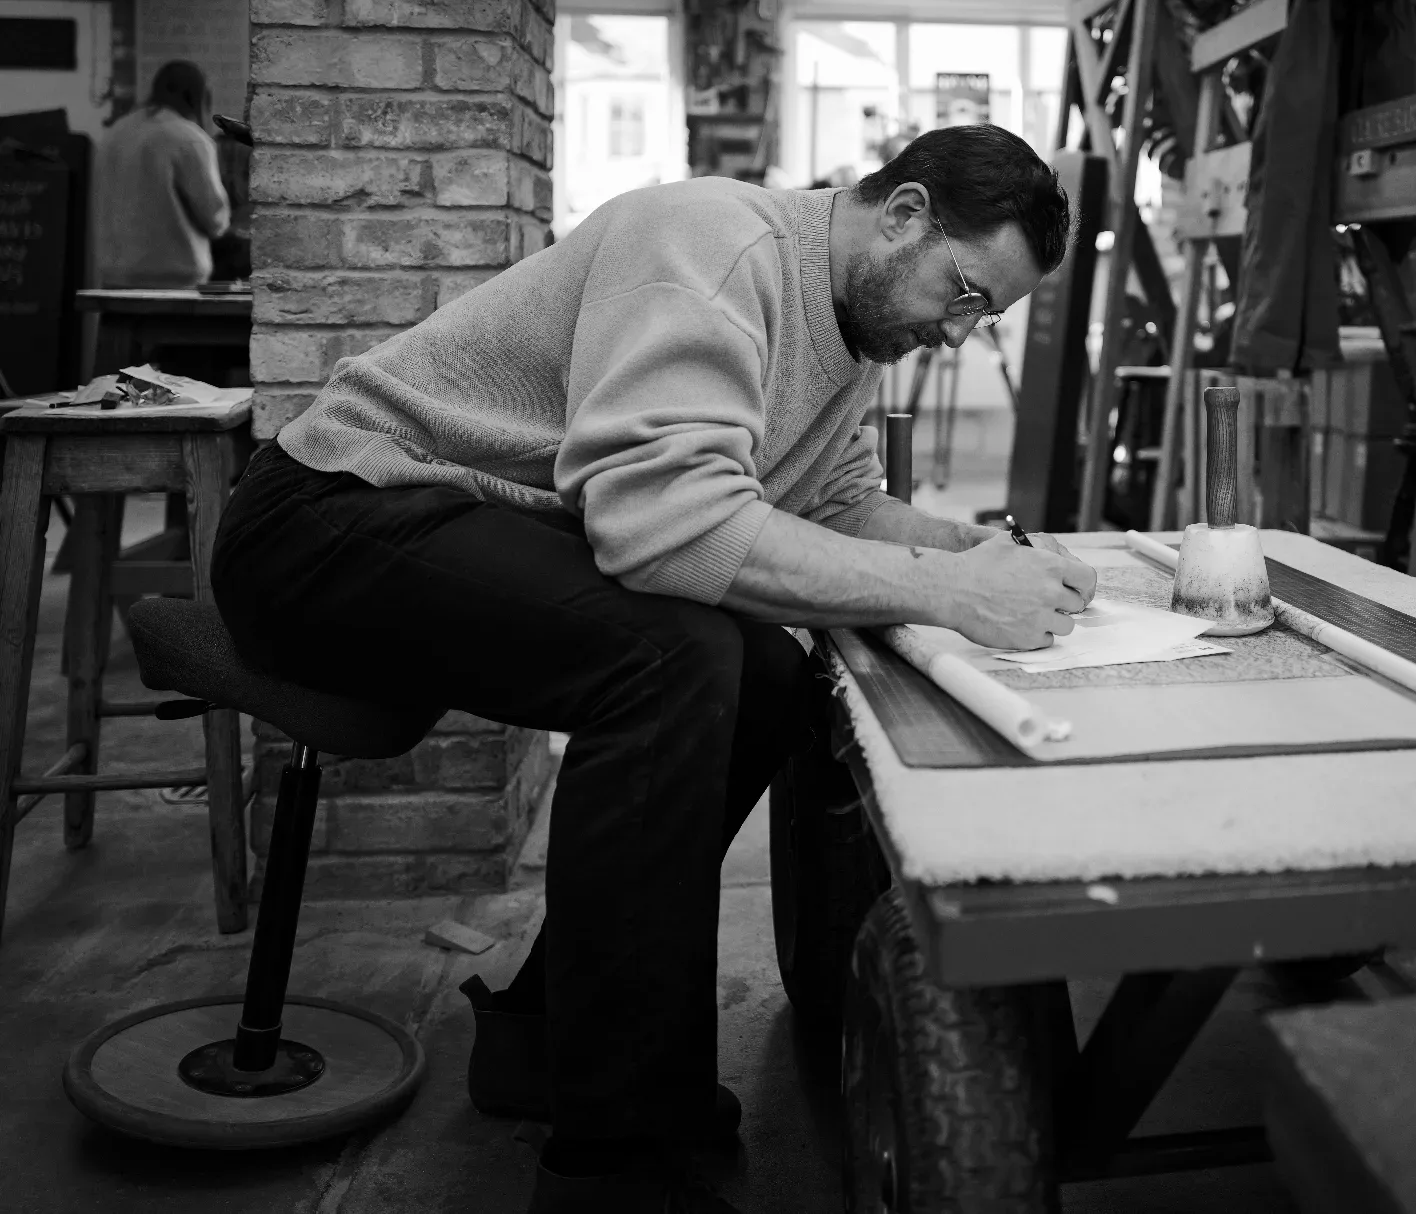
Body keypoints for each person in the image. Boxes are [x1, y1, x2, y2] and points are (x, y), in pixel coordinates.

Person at [209, 123, 1091, 1213]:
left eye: (983, 318)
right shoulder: (713, 244)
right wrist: (947, 596)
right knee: (672, 660)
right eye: (962, 295)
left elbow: (833, 504)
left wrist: (973, 554)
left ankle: (546, 1034)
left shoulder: (850, 326)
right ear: (904, 215)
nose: (956, 334)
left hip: (453, 524)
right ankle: (619, 1165)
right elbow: (664, 526)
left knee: (765, 672)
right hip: (327, 514)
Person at [94, 60, 230, 289]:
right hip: (173, 284)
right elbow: (214, 219)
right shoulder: (188, 138)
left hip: (114, 279)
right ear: (197, 96)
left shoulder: (115, 133)